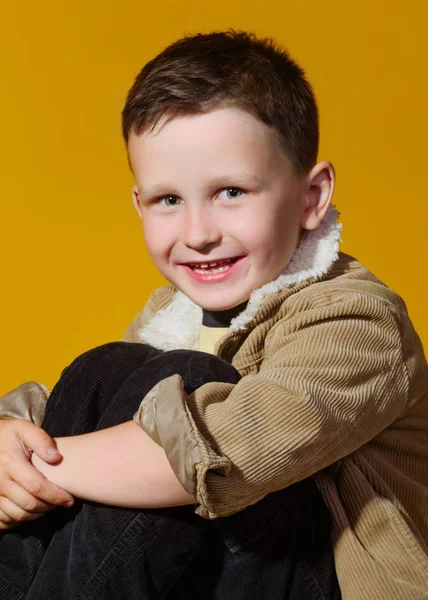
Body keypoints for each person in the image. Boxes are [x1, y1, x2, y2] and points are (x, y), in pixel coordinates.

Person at [0, 29, 427, 600]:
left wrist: (39, 469)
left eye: (231, 192)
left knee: (189, 386)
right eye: (169, 200)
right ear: (139, 203)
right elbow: (80, 410)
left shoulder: (360, 325)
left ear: (310, 196)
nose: (199, 234)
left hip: (317, 577)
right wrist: (8, 439)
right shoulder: (173, 313)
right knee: (107, 369)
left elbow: (226, 449)